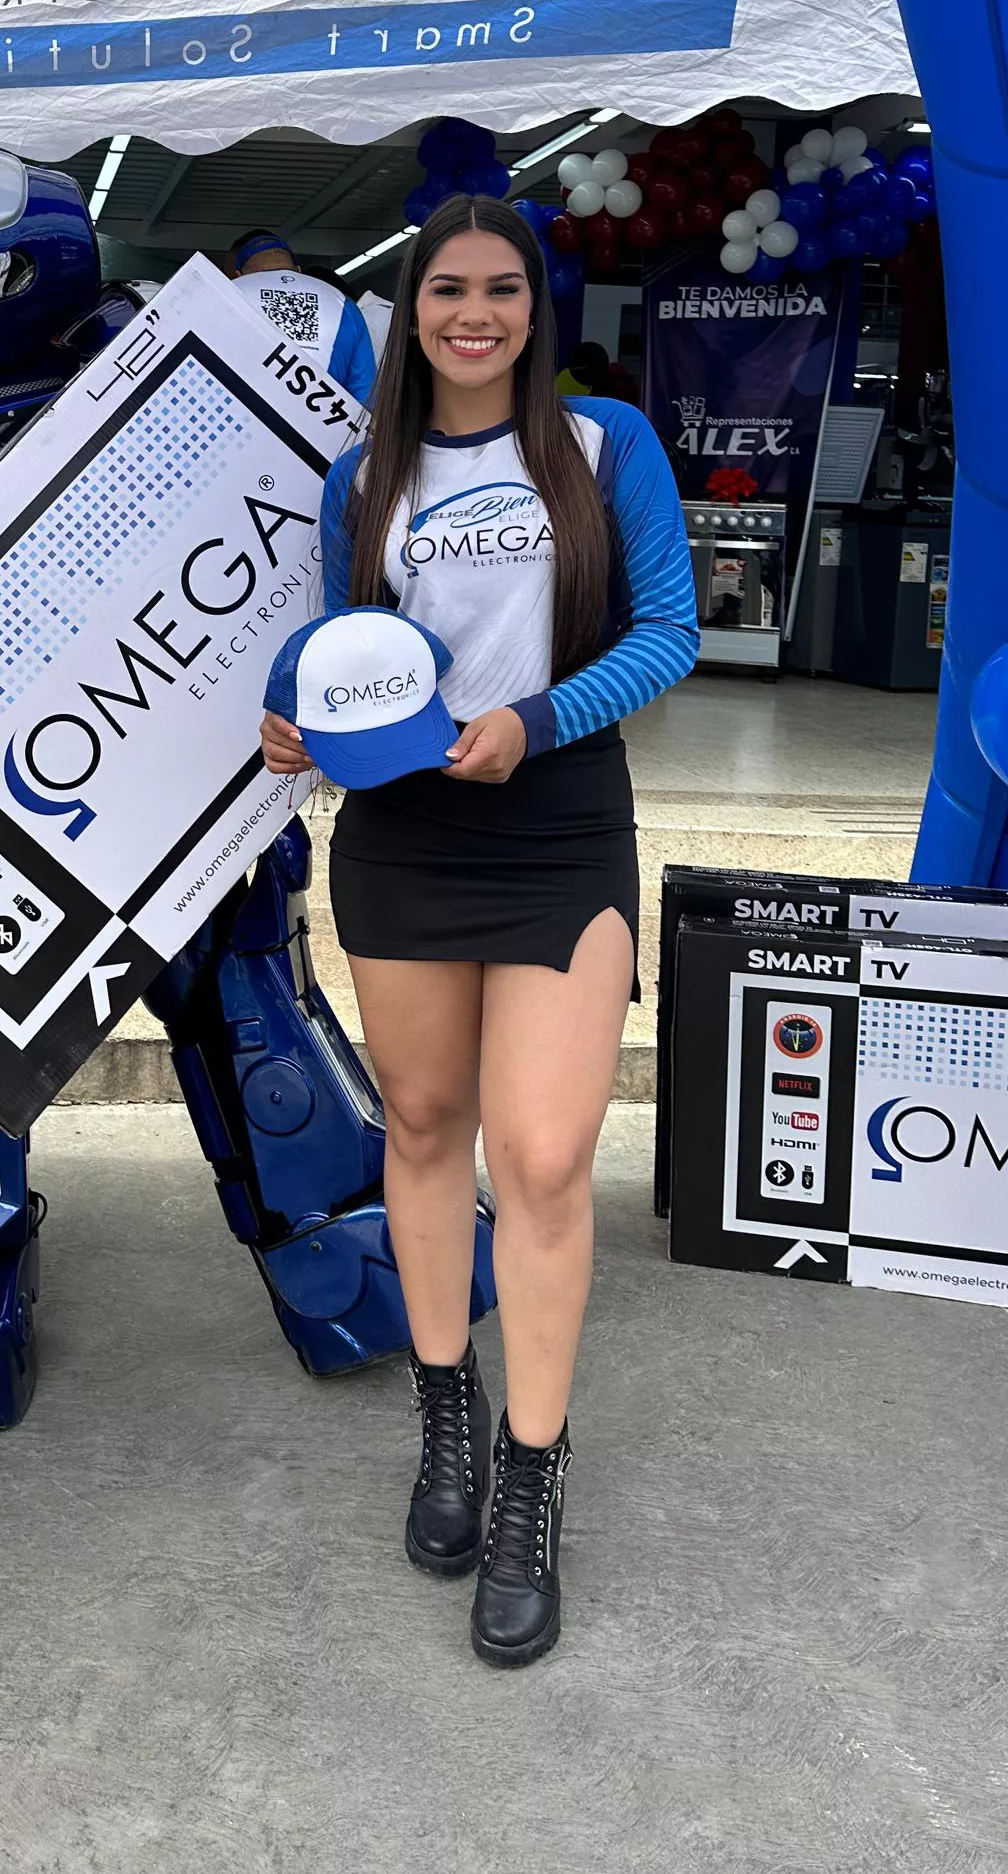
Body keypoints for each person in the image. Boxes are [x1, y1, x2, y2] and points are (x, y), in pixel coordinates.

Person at [259, 194, 696, 1667]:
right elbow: (341, 664)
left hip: (560, 824)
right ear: (413, 309)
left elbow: (671, 629)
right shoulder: (361, 476)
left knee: (549, 1155)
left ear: (534, 307)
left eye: (503, 288)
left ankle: (531, 1471)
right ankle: (445, 1410)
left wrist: (537, 719)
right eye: (449, 288)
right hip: (407, 838)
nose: (476, 314)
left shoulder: (605, 444)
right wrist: (297, 729)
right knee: (427, 1125)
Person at [226, 228, 379, 403]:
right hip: (322, 415)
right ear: (298, 270)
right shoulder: (342, 303)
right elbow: (365, 392)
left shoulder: (229, 293)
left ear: (238, 274)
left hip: (241, 413)